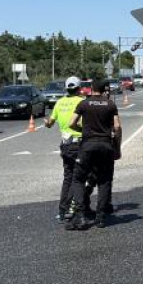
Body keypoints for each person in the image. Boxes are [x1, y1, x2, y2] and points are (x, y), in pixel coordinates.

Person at [66, 81, 122, 230]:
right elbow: (117, 127)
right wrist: (117, 147)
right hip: (105, 146)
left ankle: (81, 214)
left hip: (87, 146)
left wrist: (83, 129)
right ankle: (101, 217)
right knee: (104, 181)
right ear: (104, 90)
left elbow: (71, 123)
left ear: (91, 89)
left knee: (78, 179)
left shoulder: (84, 104)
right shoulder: (110, 105)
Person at [45, 76, 86, 221]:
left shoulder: (59, 103)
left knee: (67, 177)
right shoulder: (81, 102)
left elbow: (49, 123)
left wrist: (46, 123)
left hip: (65, 144)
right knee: (78, 178)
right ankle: (74, 209)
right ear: (79, 88)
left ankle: (62, 211)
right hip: (79, 143)